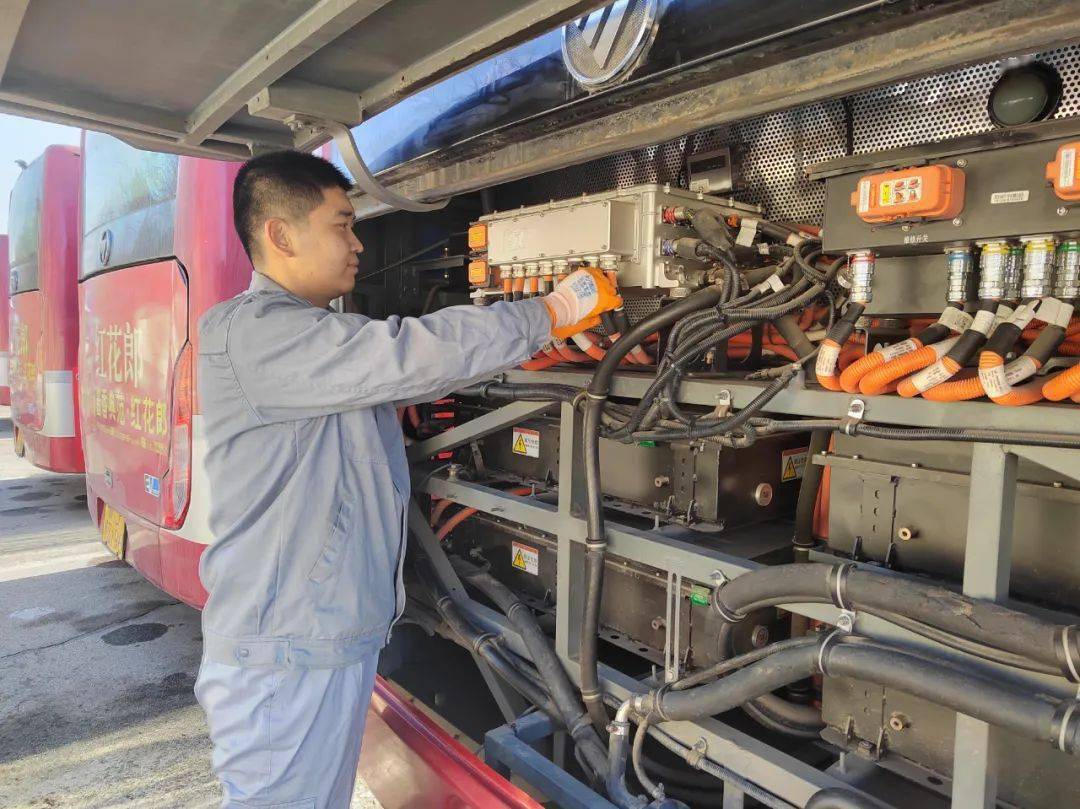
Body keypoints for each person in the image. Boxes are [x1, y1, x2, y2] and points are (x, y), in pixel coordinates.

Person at [193, 150, 621, 808]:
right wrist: (553, 309)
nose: (358, 244)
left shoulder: (309, 336)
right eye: (342, 225)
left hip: (313, 643)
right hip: (286, 656)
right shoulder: (255, 334)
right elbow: (411, 353)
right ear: (280, 234)